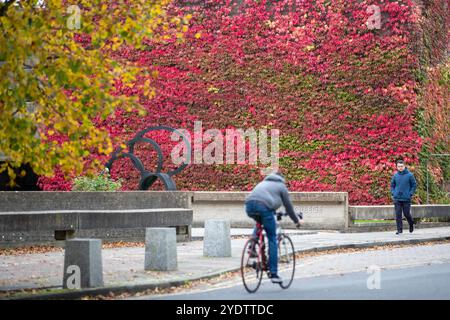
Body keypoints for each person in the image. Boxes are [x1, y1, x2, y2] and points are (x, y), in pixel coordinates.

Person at [244, 171, 302, 284]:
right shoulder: (281, 186)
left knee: (259, 221)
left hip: (249, 205)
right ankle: (274, 273)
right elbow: (289, 207)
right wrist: (297, 221)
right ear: (282, 179)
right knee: (272, 238)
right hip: (265, 207)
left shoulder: (262, 183)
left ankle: (252, 245)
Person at [390, 159, 417, 235]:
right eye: (398, 166)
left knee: (406, 214)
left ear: (404, 166)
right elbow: (392, 185)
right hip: (397, 198)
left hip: (406, 198)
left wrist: (410, 193)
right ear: (397, 167)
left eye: (401, 166)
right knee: (398, 215)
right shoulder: (395, 175)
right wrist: (393, 192)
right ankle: (399, 230)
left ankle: (411, 223)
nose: (400, 168)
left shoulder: (410, 175)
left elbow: (414, 185)